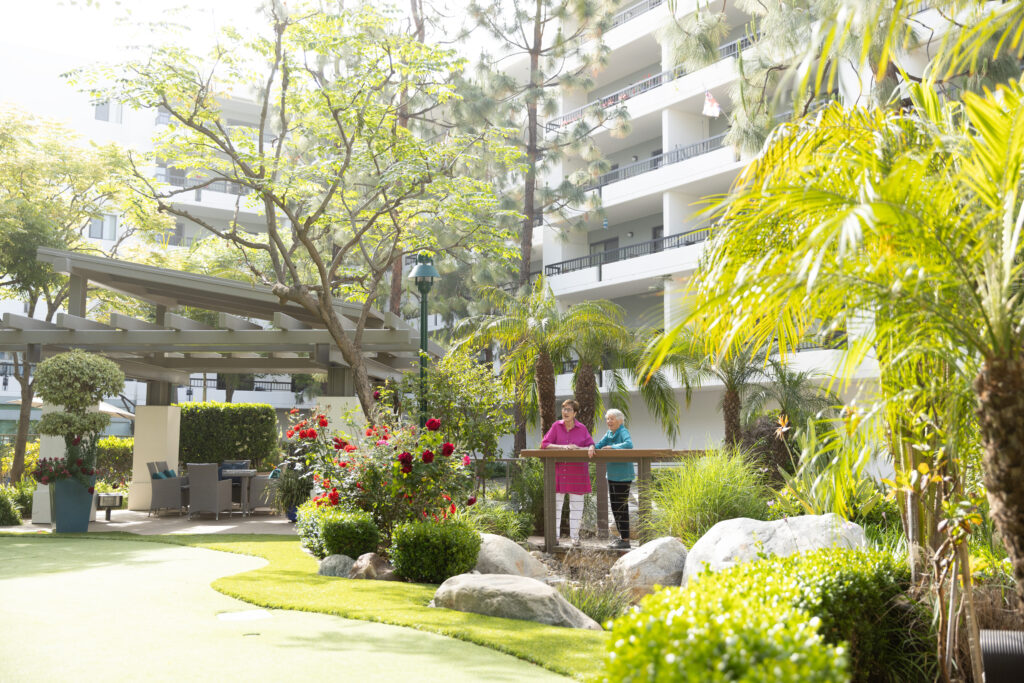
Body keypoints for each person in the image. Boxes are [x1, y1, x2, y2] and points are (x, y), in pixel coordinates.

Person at [540, 399, 595, 547]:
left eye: (569, 409)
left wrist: (590, 447)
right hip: (560, 473)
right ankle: (555, 537)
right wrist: (563, 448)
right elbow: (545, 444)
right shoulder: (556, 426)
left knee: (577, 506)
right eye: (564, 409)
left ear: (575, 413)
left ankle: (575, 538)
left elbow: (591, 443)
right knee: (556, 506)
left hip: (577, 473)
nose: (565, 412)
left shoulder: (582, 428)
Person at [589, 408, 634, 549]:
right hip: (612, 475)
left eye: (612, 419)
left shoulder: (623, 431)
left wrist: (612, 447)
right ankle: (622, 538)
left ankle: (626, 540)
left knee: (622, 507)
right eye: (607, 419)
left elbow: (629, 444)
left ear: (620, 421)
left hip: (624, 476)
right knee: (615, 507)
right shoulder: (609, 433)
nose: (609, 421)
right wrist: (591, 446)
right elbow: (599, 445)